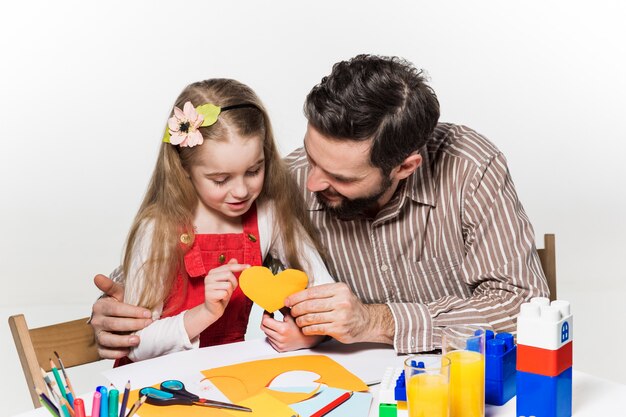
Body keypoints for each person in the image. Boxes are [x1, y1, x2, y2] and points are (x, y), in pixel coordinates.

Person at [91, 55, 548, 358]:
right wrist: (115, 311)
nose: (310, 183)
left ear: (404, 166)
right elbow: (161, 267)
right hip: (352, 387)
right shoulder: (278, 184)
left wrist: (378, 320)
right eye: (311, 157)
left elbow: (525, 307)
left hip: (465, 385)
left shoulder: (469, 166)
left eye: (342, 177)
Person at [108, 78, 333, 363]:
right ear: (184, 169)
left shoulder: (268, 215)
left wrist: (310, 334)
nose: (241, 191)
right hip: (155, 384)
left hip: (226, 375)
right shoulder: (158, 230)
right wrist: (204, 313)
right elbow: (136, 345)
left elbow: (324, 292)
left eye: (254, 171)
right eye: (220, 179)